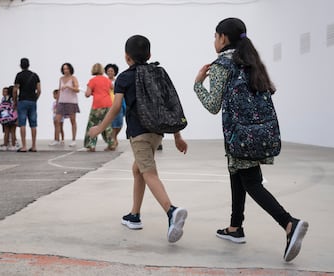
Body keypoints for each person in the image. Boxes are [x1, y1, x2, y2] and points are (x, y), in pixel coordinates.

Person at [193, 17, 308, 262]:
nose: (214, 41)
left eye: (215, 36)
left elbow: (213, 105)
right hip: (258, 132)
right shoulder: (250, 61)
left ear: (223, 37)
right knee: (237, 173)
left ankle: (289, 223)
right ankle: (235, 228)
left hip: (240, 135)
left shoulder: (223, 63)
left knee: (252, 183)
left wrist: (197, 84)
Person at [88, 35, 188, 243]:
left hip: (139, 134)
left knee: (149, 173)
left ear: (126, 57)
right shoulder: (158, 73)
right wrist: (177, 135)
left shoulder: (124, 78)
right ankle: (134, 215)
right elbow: (170, 104)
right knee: (138, 170)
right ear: (149, 55)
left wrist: (99, 128)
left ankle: (171, 211)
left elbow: (116, 107)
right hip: (156, 133)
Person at [84, 63, 114, 152]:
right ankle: (111, 144)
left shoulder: (92, 81)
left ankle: (91, 145)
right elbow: (112, 88)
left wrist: (93, 92)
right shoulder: (107, 80)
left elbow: (87, 94)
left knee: (92, 124)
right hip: (108, 104)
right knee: (107, 125)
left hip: (97, 105)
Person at [13, 58, 41, 152]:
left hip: (22, 100)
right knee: (33, 124)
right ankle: (34, 145)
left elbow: (15, 90)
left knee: (22, 123)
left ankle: (24, 146)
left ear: (20, 65)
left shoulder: (19, 75)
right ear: (29, 65)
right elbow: (39, 90)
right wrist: (35, 98)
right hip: (32, 101)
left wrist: (15, 101)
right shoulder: (35, 75)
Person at [55, 63, 80, 147]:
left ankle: (73, 139)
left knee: (72, 120)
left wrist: (69, 87)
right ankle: (57, 139)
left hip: (71, 102)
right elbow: (59, 91)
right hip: (62, 102)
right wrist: (57, 103)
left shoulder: (73, 78)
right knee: (57, 120)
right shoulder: (61, 78)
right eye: (64, 69)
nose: (65, 70)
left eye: (67, 69)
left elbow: (77, 89)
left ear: (70, 69)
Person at [105, 63, 125, 150]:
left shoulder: (118, 81)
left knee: (119, 123)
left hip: (118, 103)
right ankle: (112, 140)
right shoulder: (104, 81)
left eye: (111, 71)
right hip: (108, 104)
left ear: (115, 72)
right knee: (111, 124)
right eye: (108, 71)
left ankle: (115, 137)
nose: (110, 72)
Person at [0, 86, 17, 151]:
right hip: (13, 117)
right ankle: (13, 145)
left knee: (6, 132)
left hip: (5, 117)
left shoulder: (3, 99)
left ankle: (5, 145)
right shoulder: (14, 99)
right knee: (13, 132)